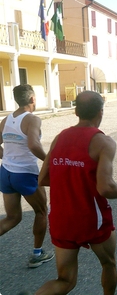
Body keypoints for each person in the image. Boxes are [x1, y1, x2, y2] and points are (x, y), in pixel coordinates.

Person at [35, 91, 117, 295]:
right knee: (108, 263)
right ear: (100, 112)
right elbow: (105, 188)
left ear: (75, 111)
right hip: (91, 219)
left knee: (65, 280)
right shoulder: (104, 142)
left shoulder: (59, 138)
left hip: (61, 218)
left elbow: (43, 179)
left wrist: (71, 178)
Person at [0, 84, 54, 268]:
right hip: (25, 174)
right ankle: (37, 255)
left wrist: (7, 157)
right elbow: (33, 145)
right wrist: (50, 162)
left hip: (6, 173)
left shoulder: (6, 119)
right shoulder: (32, 119)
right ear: (32, 99)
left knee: (12, 218)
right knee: (41, 212)